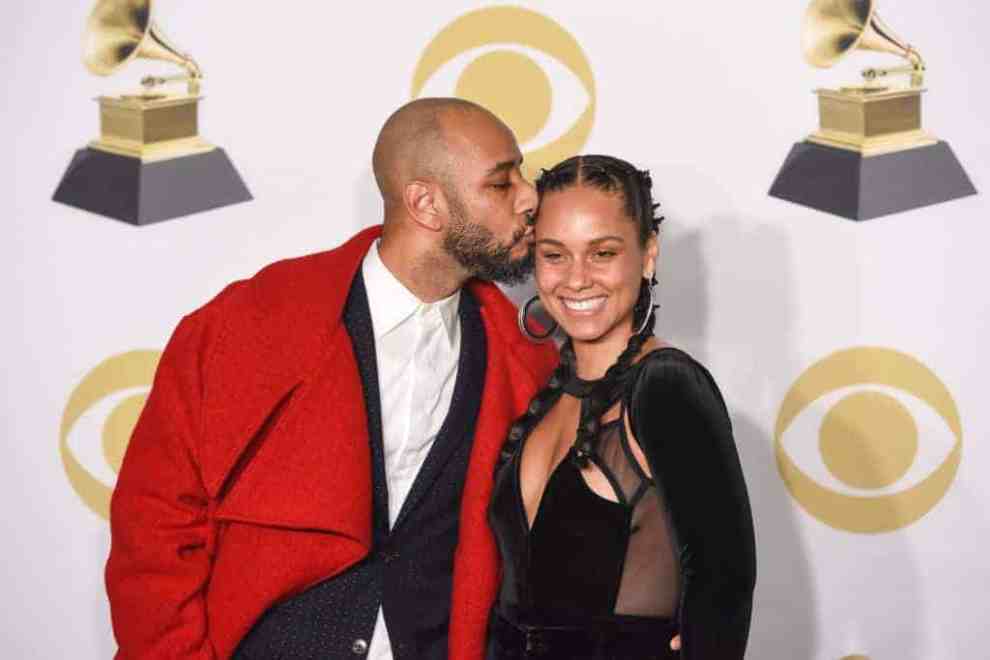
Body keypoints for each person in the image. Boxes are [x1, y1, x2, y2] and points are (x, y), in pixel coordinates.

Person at [104, 98, 558, 660]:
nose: (530, 197)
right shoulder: (244, 325)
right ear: (426, 203)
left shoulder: (523, 359)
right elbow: (155, 527)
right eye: (501, 182)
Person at [487, 155, 756, 659]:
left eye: (602, 253)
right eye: (554, 255)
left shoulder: (666, 386)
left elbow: (724, 583)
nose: (577, 278)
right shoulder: (545, 394)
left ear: (647, 255)